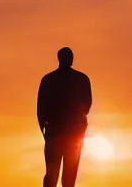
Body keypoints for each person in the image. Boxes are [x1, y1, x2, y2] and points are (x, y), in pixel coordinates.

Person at [37, 47, 93, 187]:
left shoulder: (49, 79)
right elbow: (87, 106)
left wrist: (44, 129)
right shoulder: (81, 79)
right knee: (60, 174)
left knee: (58, 174)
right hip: (64, 133)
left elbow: (40, 109)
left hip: (63, 133)